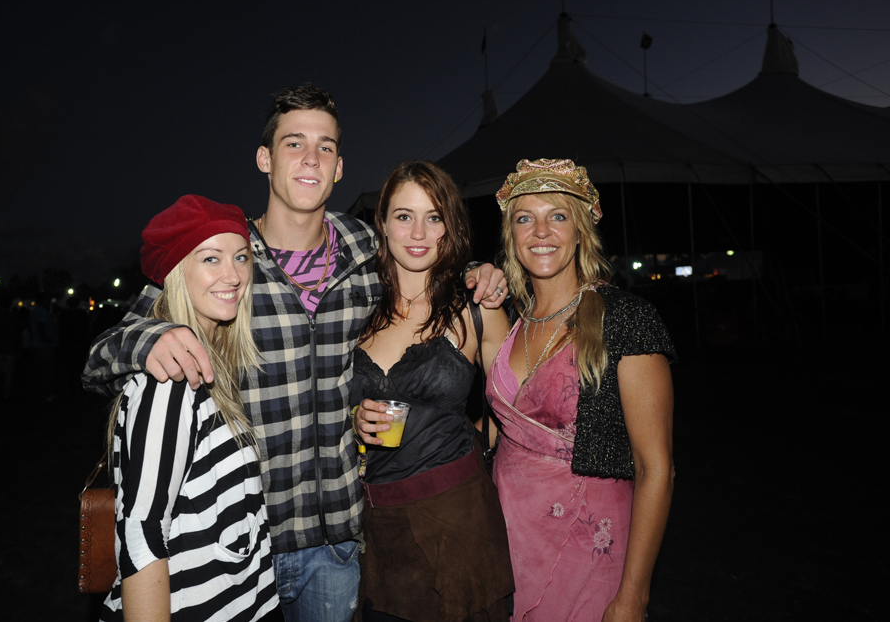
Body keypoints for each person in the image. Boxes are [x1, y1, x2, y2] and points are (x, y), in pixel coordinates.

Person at [83, 84, 508, 622]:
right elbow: (100, 357)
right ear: (265, 158)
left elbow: (424, 255)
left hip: (338, 544)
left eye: (325, 147)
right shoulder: (227, 257)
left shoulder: (365, 251)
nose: (311, 158)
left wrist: (478, 273)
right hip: (242, 545)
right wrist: (150, 339)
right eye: (294, 143)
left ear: (339, 167)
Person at [488, 159, 676, 622]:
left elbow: (656, 468)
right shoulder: (511, 319)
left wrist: (633, 597)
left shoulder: (624, 319)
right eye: (524, 218)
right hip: (506, 542)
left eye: (557, 216)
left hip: (588, 548)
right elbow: (502, 424)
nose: (541, 232)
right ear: (511, 236)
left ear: (580, 231)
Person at [100, 194, 278, 622]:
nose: (233, 275)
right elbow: (141, 534)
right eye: (211, 259)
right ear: (177, 272)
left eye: (240, 257)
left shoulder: (212, 363)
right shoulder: (171, 380)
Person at [351, 161, 515, 622]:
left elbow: (519, 412)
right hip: (374, 529)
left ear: (450, 226)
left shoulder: (477, 309)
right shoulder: (355, 311)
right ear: (383, 224)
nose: (419, 232)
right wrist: (352, 420)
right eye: (404, 216)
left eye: (434, 217)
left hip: (457, 521)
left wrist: (472, 444)